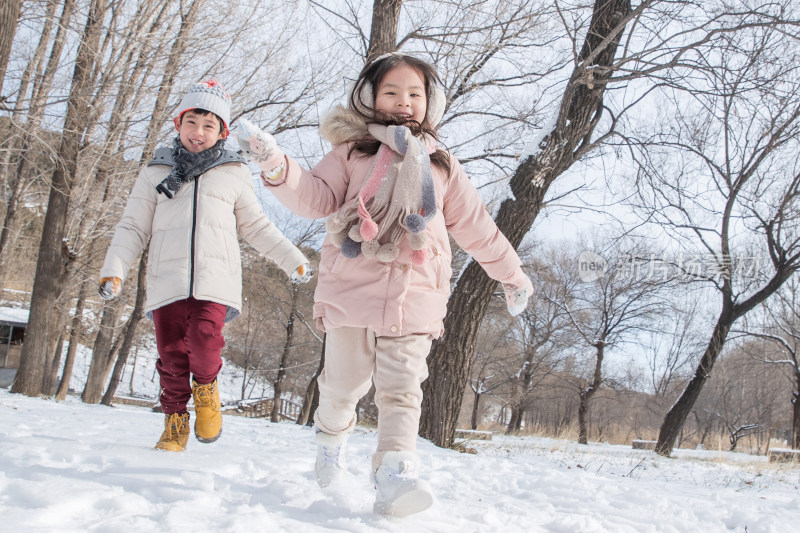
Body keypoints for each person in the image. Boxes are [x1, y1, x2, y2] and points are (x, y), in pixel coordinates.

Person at [235, 53, 532, 516]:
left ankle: (394, 476)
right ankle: (331, 440)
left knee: (402, 387)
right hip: (352, 289)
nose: (403, 102)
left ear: (429, 104)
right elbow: (315, 197)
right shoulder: (352, 153)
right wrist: (276, 164)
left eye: (415, 94)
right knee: (342, 386)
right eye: (391, 92)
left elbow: (477, 228)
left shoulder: (441, 164)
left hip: (416, 292)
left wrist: (512, 275)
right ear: (371, 98)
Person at [98, 79, 312, 453]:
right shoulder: (155, 172)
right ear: (178, 124)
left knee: (203, 342)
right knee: (171, 356)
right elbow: (132, 226)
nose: (199, 132)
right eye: (191, 122)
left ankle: (208, 393)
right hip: (167, 279)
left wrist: (292, 259)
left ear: (222, 132)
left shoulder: (233, 173)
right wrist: (114, 269)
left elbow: (257, 227)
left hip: (216, 280)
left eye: (209, 125)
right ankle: (175, 422)